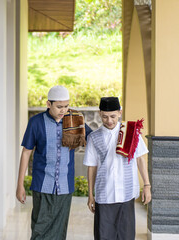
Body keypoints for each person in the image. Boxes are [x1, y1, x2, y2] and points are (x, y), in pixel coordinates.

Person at [16, 85, 92, 239]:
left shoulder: (75, 120)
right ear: (48, 104)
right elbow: (26, 152)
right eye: (59, 107)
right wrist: (20, 185)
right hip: (42, 185)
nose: (63, 110)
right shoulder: (36, 122)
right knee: (40, 229)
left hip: (65, 186)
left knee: (59, 231)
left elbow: (95, 139)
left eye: (66, 106)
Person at [83, 97, 151, 240]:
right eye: (105, 117)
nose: (109, 121)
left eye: (113, 116)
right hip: (104, 195)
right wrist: (90, 195)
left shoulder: (131, 133)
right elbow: (92, 167)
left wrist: (147, 185)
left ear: (120, 113)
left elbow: (140, 159)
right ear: (100, 113)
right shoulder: (93, 138)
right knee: (103, 236)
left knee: (126, 236)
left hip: (126, 194)